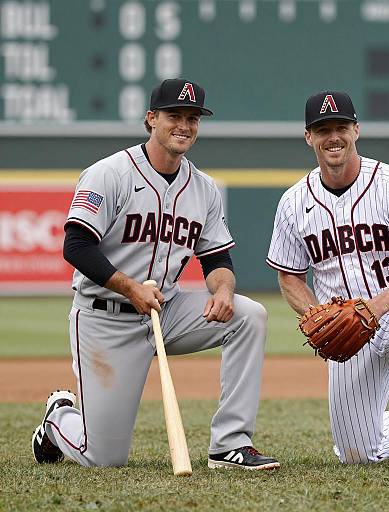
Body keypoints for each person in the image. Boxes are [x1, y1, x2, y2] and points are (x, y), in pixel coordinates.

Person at [31, 78, 279, 471]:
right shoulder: (108, 174)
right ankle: (60, 417)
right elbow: (76, 246)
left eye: (192, 118)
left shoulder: (203, 188)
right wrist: (129, 287)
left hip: (167, 309)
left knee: (249, 315)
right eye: (174, 116)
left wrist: (224, 291)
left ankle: (230, 445)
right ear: (151, 119)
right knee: (104, 458)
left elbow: (217, 261)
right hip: (105, 316)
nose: (184, 125)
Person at [266, 90, 389, 472]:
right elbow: (289, 277)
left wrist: (374, 307)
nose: (332, 136)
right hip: (347, 331)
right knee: (356, 455)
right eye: (323, 129)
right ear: (309, 137)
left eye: (340, 127)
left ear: (356, 129)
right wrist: (318, 314)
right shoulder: (293, 202)